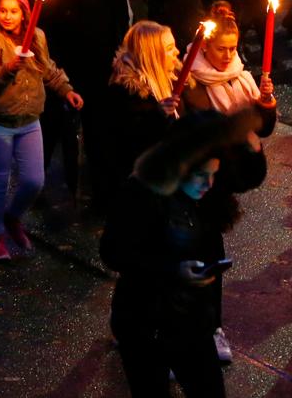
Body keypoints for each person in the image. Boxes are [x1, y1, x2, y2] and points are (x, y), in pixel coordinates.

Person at [100, 110, 263, 397]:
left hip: (192, 321)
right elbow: (114, 253)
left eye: (213, 174)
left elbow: (247, 177)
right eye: (202, 175)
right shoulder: (141, 192)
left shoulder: (205, 181)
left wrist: (252, 145)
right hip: (145, 324)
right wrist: (172, 270)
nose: (209, 183)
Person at [0, 0, 82, 261]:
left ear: (25, 14)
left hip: (29, 120)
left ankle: (13, 217)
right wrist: (9, 67)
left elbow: (47, 68)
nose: (7, 16)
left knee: (34, 181)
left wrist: (65, 89)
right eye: (2, 11)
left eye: (13, 11)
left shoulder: (37, 36)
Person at [37, 0, 130, 204]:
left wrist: (119, 59)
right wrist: (54, 70)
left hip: (102, 70)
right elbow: (46, 28)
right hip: (64, 70)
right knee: (52, 129)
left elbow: (120, 22)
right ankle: (38, 186)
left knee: (100, 132)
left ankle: (99, 191)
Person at [102, 21, 182, 203]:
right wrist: (157, 116)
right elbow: (131, 144)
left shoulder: (174, 81)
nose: (177, 52)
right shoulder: (126, 95)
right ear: (152, 55)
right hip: (143, 190)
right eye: (170, 48)